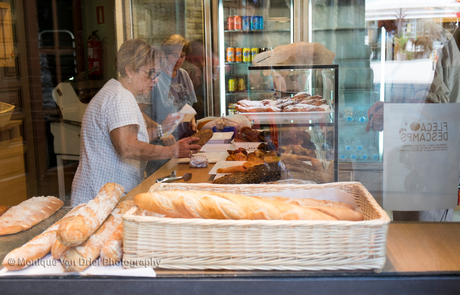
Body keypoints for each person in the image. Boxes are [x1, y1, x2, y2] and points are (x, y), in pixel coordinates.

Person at [71, 39, 201, 206]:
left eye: (157, 74)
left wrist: (162, 129)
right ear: (130, 70)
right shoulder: (120, 97)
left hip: (105, 195)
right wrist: (172, 151)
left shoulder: (119, 93)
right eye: (151, 73)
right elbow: (128, 146)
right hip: (99, 199)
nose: (155, 80)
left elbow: (132, 137)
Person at [367, 27, 460, 221]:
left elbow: (436, 105)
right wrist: (397, 109)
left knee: (423, 232)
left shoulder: (455, 44)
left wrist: (397, 112)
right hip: (435, 152)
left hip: (437, 153)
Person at [138, 35, 200, 176]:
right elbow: (138, 112)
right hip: (160, 146)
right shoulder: (154, 77)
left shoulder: (183, 75)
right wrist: (160, 131)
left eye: (182, 56)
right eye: (174, 55)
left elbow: (188, 106)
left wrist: (192, 121)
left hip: (182, 144)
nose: (179, 60)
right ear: (164, 55)